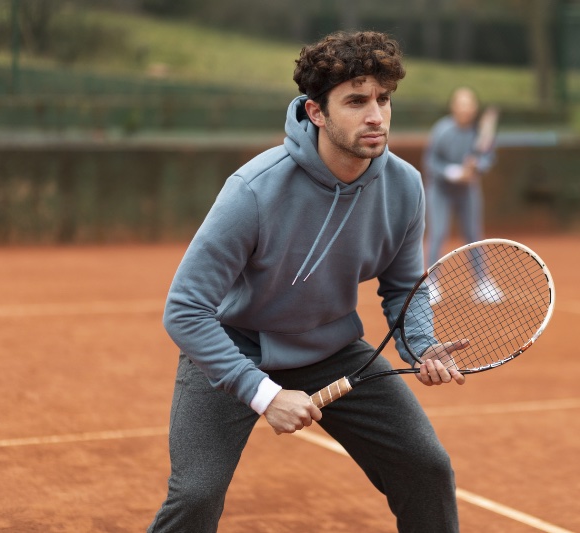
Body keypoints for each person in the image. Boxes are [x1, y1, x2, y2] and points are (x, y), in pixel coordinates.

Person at [147, 31, 468, 533]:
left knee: (427, 468)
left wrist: (421, 344)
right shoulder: (253, 190)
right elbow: (185, 309)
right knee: (196, 495)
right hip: (238, 347)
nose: (376, 116)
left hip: (332, 348)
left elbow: (403, 287)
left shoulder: (404, 186)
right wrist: (264, 395)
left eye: (383, 99)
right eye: (356, 101)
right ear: (316, 112)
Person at [422, 87, 500, 305]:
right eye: (461, 104)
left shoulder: (480, 133)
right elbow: (430, 162)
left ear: (474, 108)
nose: (466, 109)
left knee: (474, 235)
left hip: (468, 192)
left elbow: (488, 158)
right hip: (440, 191)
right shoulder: (442, 131)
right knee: (438, 233)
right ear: (453, 107)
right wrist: (455, 172)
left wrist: (477, 167)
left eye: (469, 104)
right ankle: (431, 283)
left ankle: (482, 282)